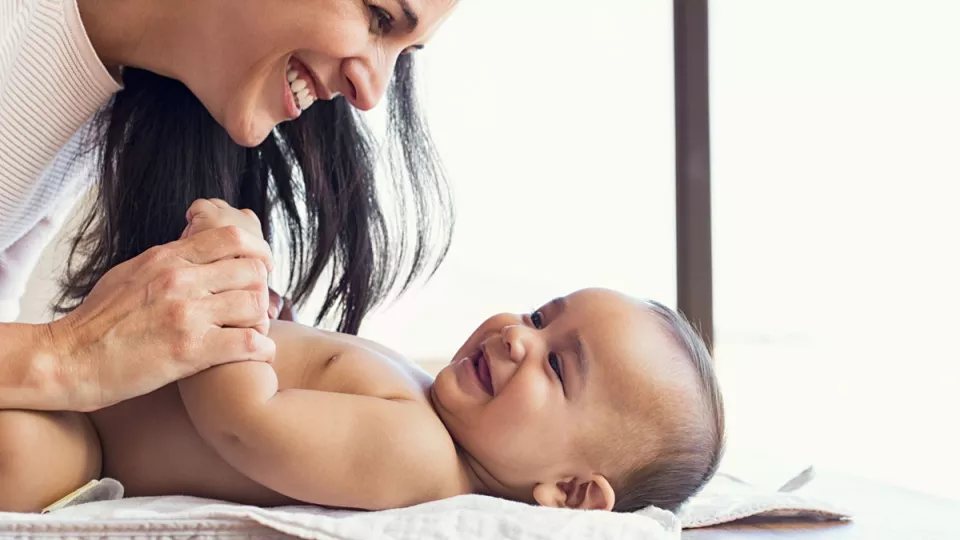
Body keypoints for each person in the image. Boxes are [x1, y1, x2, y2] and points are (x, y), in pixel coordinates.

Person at [0, 201, 725, 514]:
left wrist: (232, 283)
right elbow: (304, 370)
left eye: (557, 366)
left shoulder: (420, 456)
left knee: (16, 449)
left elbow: (245, 423)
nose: (516, 337)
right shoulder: (425, 403)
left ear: (569, 493)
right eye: (540, 316)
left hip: (90, 445)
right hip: (96, 393)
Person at [0, 0, 457, 413]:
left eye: (404, 52)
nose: (372, 94)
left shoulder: (98, 89)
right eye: (379, 16)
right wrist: (69, 354)